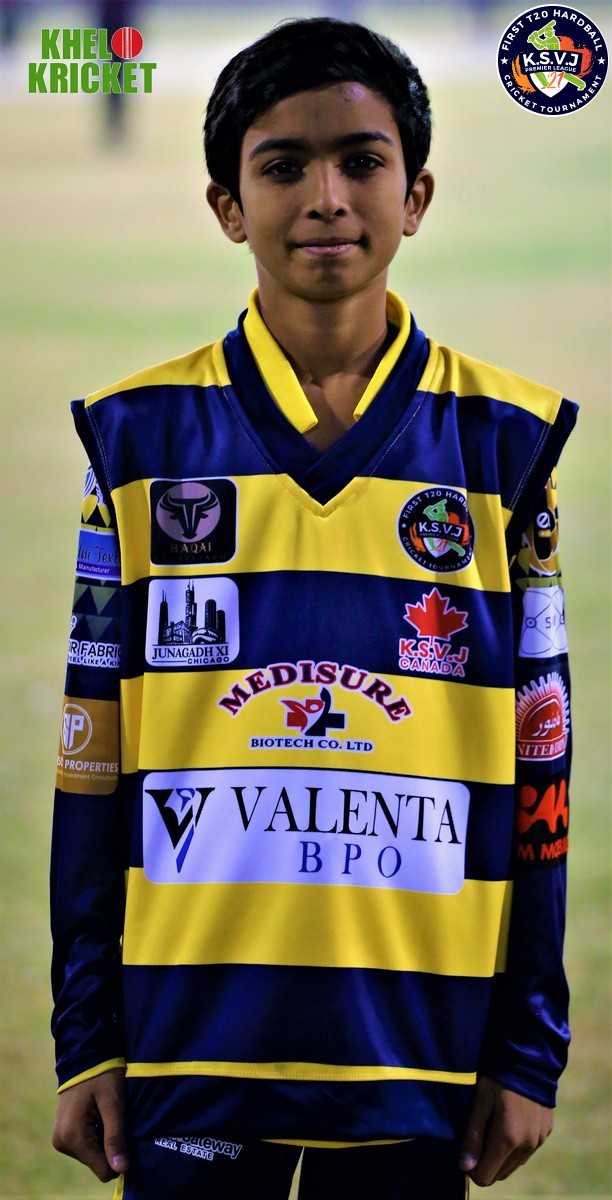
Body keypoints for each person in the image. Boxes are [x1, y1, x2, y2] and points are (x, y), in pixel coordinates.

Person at [50, 17, 577, 1199]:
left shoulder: (506, 447)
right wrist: (85, 1035)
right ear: (228, 206)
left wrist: (528, 1044)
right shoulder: (136, 442)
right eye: (283, 166)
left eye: (362, 161)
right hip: (190, 1042)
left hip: (420, 1050)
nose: (327, 197)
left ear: (417, 194)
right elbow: (91, 764)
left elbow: (540, 765)